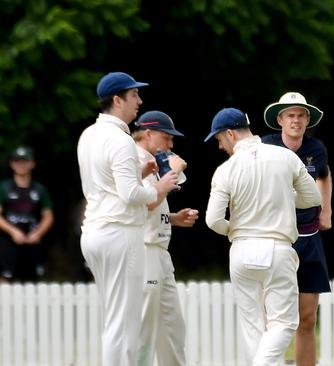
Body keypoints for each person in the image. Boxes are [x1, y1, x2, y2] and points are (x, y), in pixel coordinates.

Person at [204, 107, 321, 366]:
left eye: (220, 139)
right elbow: (313, 198)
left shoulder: (226, 170)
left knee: (253, 327)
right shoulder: (286, 157)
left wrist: (233, 230)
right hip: (277, 249)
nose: (221, 146)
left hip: (241, 250)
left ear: (231, 134)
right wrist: (287, 198)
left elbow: (212, 220)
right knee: (283, 322)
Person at [77, 71, 178, 366]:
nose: (139, 100)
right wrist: (158, 187)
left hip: (94, 233)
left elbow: (105, 181)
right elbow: (131, 195)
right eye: (134, 95)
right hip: (120, 234)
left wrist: (139, 173)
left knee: (114, 319)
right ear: (117, 100)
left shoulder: (88, 135)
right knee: (124, 324)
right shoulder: (120, 140)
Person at [261, 92, 332, 366]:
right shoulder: (266, 146)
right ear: (280, 119)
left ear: (307, 120)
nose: (296, 120)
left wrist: (326, 210)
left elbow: (325, 176)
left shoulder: (316, 149)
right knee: (272, 318)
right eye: (290, 114)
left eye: (301, 115)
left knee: (308, 317)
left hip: (309, 234)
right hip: (275, 236)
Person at [133, 110, 199, 366]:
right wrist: (170, 175)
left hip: (160, 249)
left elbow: (151, 206)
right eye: (166, 138)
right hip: (145, 248)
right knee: (144, 328)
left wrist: (173, 218)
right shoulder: (133, 159)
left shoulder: (152, 160)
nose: (171, 145)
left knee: (172, 328)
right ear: (148, 134)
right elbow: (146, 202)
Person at [0, 146, 54, 283]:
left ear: (32, 163)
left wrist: (37, 233)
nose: (21, 165)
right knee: (5, 281)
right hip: (8, 244)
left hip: (32, 243)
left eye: (25, 161)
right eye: (18, 161)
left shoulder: (39, 189)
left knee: (32, 284)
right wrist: (13, 231)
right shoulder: (4, 187)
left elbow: (48, 216)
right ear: (12, 164)